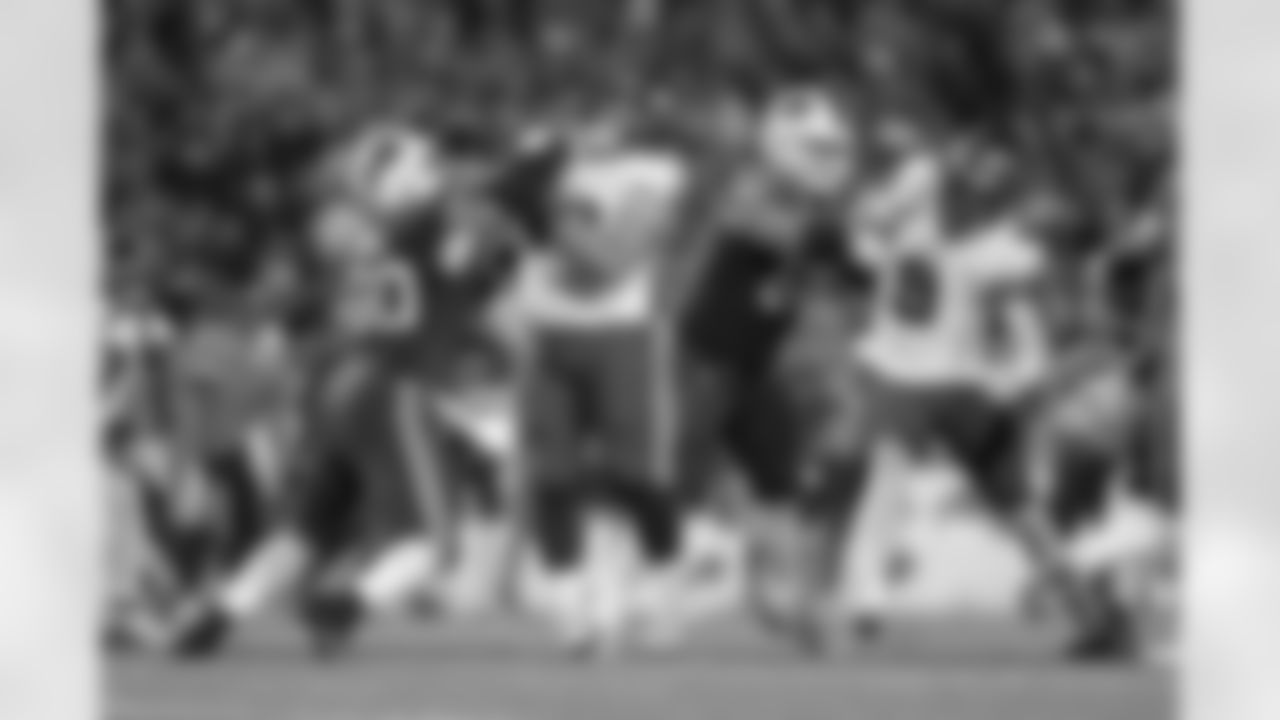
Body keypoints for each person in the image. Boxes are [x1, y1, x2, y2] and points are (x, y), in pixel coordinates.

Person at [169, 124, 455, 658]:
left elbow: (310, 284)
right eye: (429, 167)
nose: (439, 175)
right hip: (390, 386)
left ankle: (220, 611)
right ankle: (343, 606)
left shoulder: (340, 232)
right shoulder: (424, 232)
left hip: (332, 388)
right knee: (435, 542)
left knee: (310, 525)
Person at [672, 86, 868, 638]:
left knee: (778, 480)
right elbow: (777, 234)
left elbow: (850, 278)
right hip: (706, 360)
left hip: (752, 367)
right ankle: (644, 594)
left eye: (833, 151)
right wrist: (850, 245)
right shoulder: (754, 189)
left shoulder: (813, 214)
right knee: (681, 477)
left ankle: (781, 599)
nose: (830, 163)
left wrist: (859, 261)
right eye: (819, 150)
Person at [488, 147, 692, 655]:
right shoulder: (532, 195)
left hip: (622, 335)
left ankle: (663, 588)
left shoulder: (648, 177)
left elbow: (609, 266)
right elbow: (486, 272)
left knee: (637, 477)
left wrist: (557, 229)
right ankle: (571, 611)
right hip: (546, 336)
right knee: (551, 477)